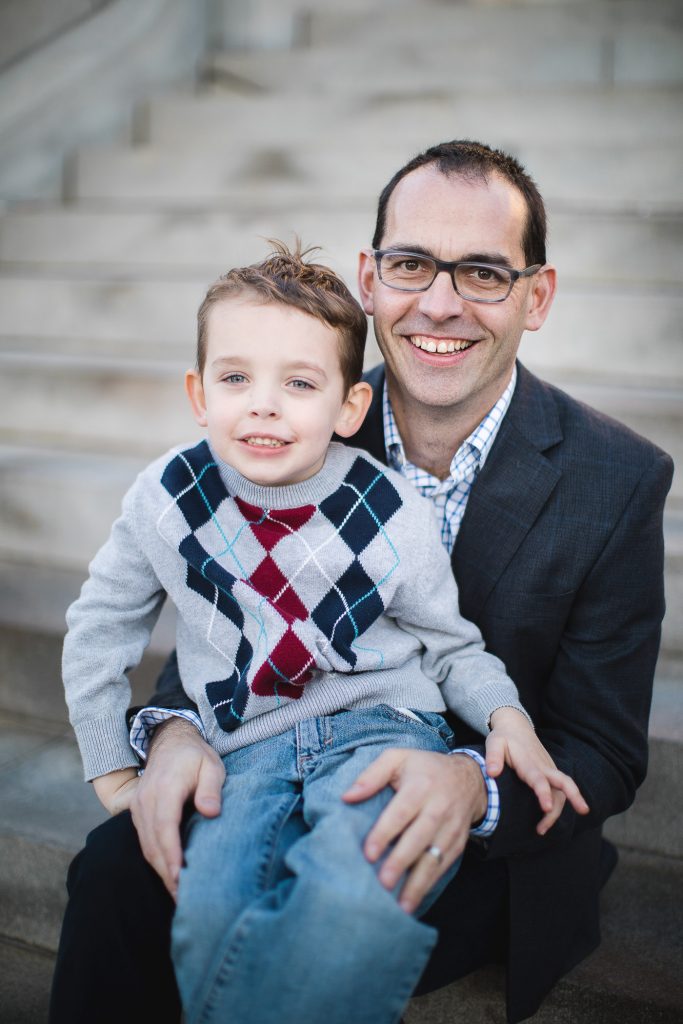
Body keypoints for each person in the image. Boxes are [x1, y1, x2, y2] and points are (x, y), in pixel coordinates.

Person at [50, 141, 673, 1024]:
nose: (441, 303)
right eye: (412, 263)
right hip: (266, 757)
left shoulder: (618, 478)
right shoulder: (294, 407)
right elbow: (213, 608)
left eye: (484, 274)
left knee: (340, 913)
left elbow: (605, 751)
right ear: (369, 278)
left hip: (482, 838)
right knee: (117, 873)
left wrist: (473, 784)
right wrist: (172, 732)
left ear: (536, 296)